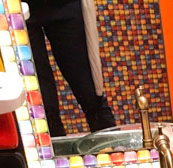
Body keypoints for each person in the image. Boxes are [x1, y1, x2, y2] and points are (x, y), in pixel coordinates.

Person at [26, 0, 116, 136]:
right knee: (40, 98)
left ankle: (113, 149)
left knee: (89, 89)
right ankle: (54, 153)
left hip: (67, 5)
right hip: (18, 9)